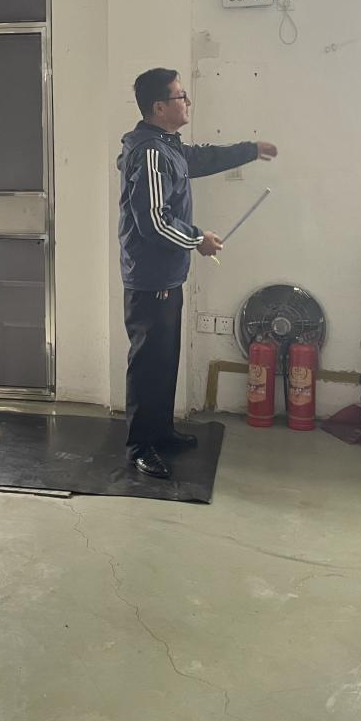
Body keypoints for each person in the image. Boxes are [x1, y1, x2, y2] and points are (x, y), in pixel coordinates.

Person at [116, 68, 277, 479]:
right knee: (148, 365)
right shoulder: (150, 153)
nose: (187, 102)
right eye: (180, 96)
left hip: (167, 276)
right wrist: (197, 239)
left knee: (165, 359)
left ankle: (161, 432)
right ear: (159, 107)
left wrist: (250, 150)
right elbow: (154, 222)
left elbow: (203, 157)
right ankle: (141, 446)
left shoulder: (168, 147)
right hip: (150, 279)